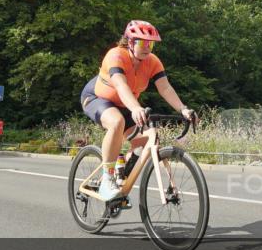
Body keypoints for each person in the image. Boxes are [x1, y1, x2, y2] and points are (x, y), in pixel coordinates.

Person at [81, 20, 195, 201]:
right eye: (142, 42)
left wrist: (183, 109)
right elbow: (120, 84)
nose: (147, 47)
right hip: (97, 98)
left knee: (149, 136)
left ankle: (122, 170)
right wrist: (135, 107)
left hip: (125, 104)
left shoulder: (152, 62)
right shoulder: (115, 55)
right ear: (130, 41)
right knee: (117, 122)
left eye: (150, 43)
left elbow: (165, 88)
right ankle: (107, 179)